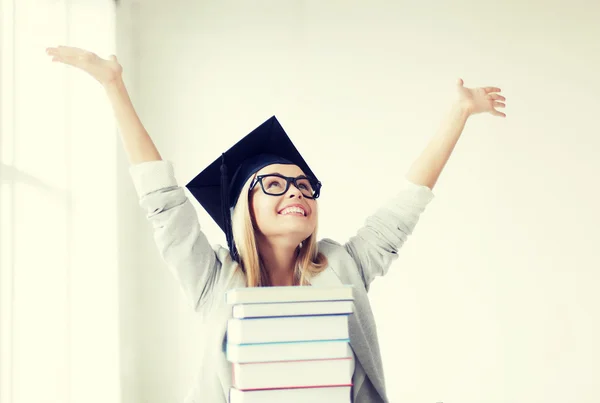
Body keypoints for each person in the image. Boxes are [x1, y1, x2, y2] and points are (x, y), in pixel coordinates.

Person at [45, 46, 506, 403]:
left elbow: (403, 209)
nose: (296, 192)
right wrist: (113, 85)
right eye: (276, 185)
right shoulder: (215, 281)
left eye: (305, 186)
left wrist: (458, 113)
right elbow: (163, 203)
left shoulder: (342, 269)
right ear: (244, 206)